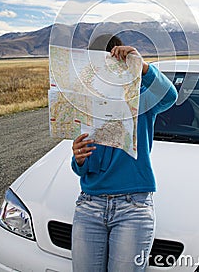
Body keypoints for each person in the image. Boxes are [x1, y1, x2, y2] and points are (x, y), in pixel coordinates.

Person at [71, 35, 177, 272]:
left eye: (109, 63)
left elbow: (170, 97)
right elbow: (86, 162)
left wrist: (143, 65)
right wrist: (78, 159)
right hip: (90, 204)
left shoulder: (141, 95)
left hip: (134, 207)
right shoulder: (87, 101)